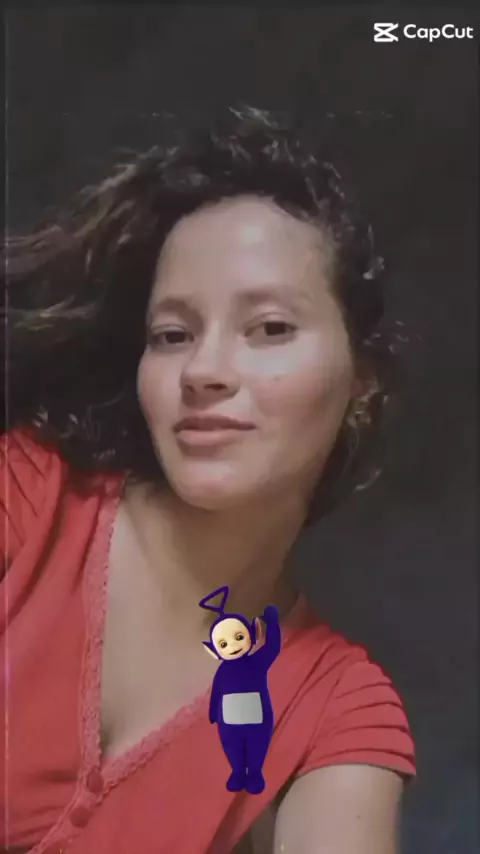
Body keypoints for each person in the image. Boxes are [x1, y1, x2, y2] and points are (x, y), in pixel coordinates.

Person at [1, 105, 415, 854]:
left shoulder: (336, 707)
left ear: (362, 381)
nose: (203, 370)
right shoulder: (26, 497)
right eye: (172, 335)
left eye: (270, 328)